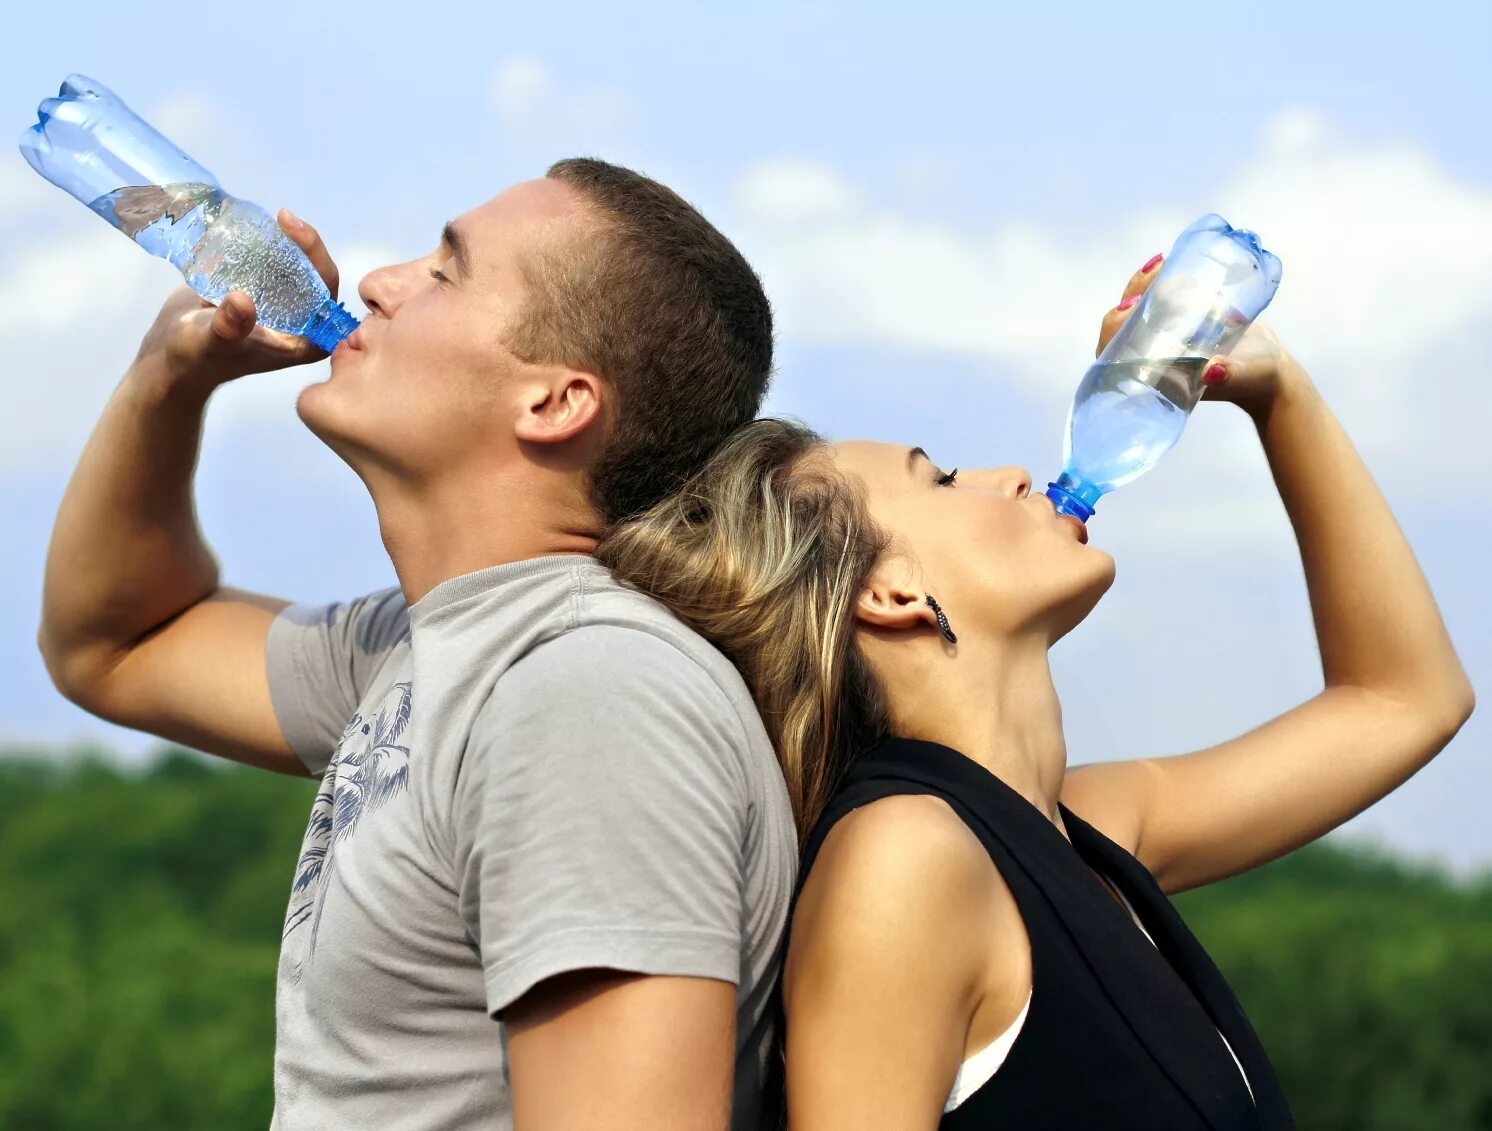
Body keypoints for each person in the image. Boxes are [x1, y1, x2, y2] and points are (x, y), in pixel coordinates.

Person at [599, 254, 1475, 1129]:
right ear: (890, 593)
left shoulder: (1085, 832)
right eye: (938, 477)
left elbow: (1407, 698)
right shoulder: (902, 861)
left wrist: (1278, 393)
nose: (1011, 473)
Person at [37, 159, 798, 1131]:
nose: (376, 284)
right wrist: (168, 379)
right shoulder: (427, 650)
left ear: (556, 403)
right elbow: (115, 643)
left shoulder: (590, 697)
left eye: (445, 271)